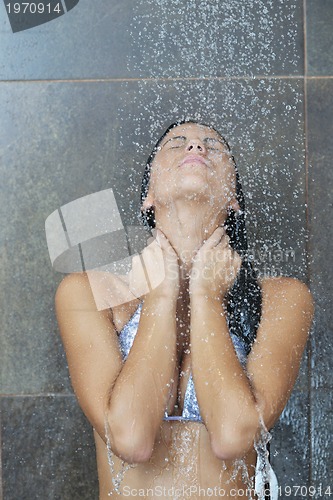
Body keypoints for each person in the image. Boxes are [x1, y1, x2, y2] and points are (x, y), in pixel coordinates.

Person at [55, 120, 314, 499]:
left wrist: (206, 295)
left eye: (212, 144)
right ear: (148, 194)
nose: (196, 148)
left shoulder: (282, 298)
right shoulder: (88, 293)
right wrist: (160, 292)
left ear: (233, 199)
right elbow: (130, 439)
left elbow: (232, 435)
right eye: (177, 143)